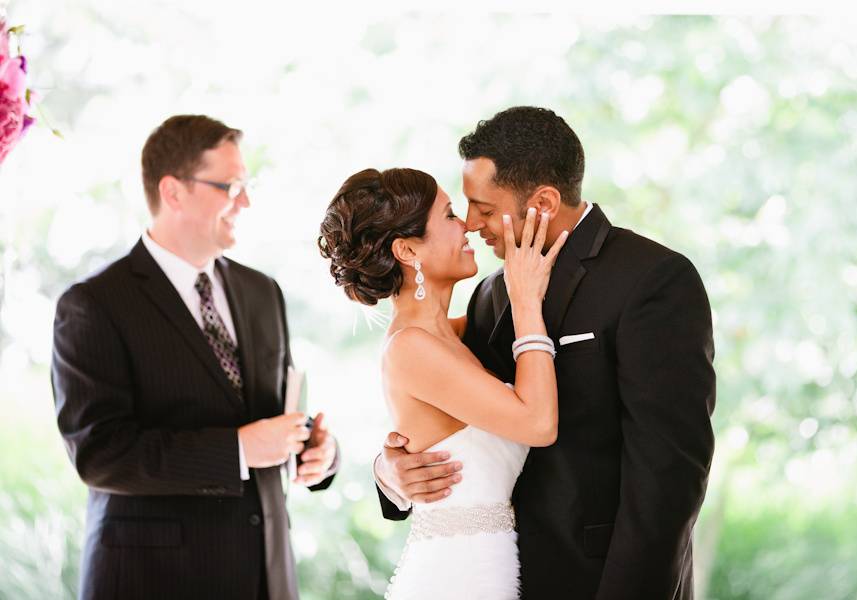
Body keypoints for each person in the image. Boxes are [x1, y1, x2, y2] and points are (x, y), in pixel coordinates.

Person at [374, 106, 716, 599]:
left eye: (486, 210)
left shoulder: (652, 280)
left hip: (597, 583)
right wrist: (390, 470)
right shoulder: (491, 294)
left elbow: (670, 478)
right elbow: (441, 407)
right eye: (464, 208)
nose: (472, 224)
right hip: (496, 576)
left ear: (545, 202)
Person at [51, 114, 338, 600]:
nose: (244, 200)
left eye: (246, 184)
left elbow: (265, 414)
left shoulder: (261, 291)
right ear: (174, 191)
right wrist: (240, 451)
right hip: (153, 579)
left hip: (265, 575)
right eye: (229, 185)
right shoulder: (93, 304)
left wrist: (315, 451)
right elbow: (100, 454)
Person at [318, 167, 568, 599]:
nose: (468, 224)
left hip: (491, 565)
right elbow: (539, 423)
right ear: (408, 249)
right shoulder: (411, 348)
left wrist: (386, 463)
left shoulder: (454, 333)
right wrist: (527, 303)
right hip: (458, 577)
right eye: (450, 215)